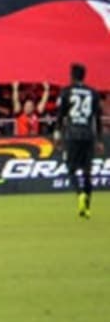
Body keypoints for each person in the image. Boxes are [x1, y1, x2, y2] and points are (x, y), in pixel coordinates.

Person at [56, 63, 102, 219]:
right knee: (87, 171)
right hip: (88, 135)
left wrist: (57, 133)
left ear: (72, 75)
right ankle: (86, 208)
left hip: (72, 134)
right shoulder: (93, 93)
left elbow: (60, 115)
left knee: (71, 169)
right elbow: (97, 118)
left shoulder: (66, 92)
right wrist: (99, 139)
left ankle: (80, 193)